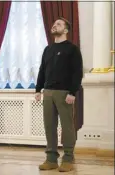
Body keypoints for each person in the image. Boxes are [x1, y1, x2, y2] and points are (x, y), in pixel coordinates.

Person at [35, 17, 83, 172]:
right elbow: (42, 70)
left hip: (64, 93)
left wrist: (72, 92)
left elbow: (77, 72)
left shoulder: (72, 49)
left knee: (67, 127)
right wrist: (38, 89)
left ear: (66, 30)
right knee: (49, 126)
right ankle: (51, 159)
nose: (54, 25)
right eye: (54, 24)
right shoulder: (47, 50)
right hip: (48, 93)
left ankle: (68, 158)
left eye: (59, 24)